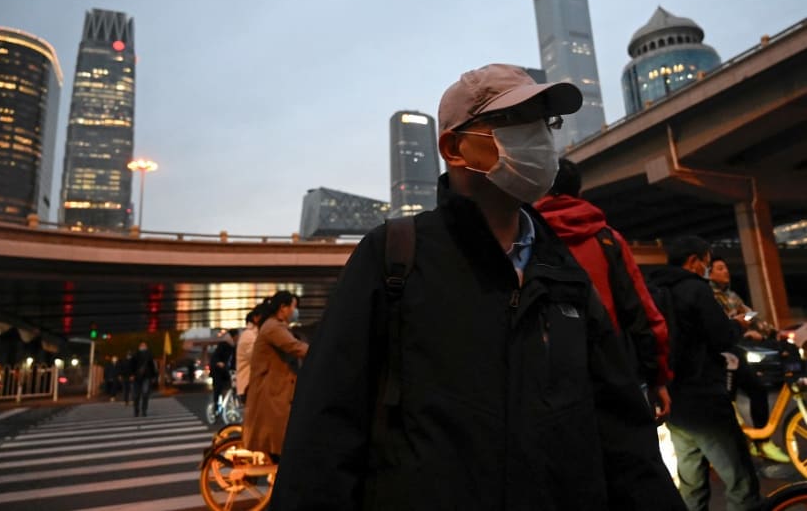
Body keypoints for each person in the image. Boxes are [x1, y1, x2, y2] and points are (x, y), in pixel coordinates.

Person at [271, 63, 683, 510]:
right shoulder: (394, 257)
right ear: (454, 147)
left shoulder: (561, 269)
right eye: (512, 122)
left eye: (544, 123)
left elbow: (622, 433)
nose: (540, 139)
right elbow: (325, 430)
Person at [535, 157, 672, 419]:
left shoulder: (523, 239)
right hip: (610, 374)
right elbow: (643, 313)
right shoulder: (607, 239)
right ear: (579, 192)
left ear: (540, 188)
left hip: (547, 381)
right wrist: (658, 377)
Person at [650, 236, 762, 510]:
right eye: (706, 264)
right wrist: (737, 325)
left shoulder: (651, 289)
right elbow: (721, 337)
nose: (707, 270)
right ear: (693, 261)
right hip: (704, 397)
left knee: (692, 485)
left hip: (672, 400)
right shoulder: (695, 289)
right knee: (741, 482)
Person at [710, 256, 788, 463]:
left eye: (725, 267)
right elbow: (723, 324)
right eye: (719, 268)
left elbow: (751, 316)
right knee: (726, 401)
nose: (725, 271)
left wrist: (775, 333)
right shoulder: (708, 294)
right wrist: (741, 327)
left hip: (735, 352)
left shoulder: (732, 296)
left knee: (757, 390)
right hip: (721, 356)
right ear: (710, 272)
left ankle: (762, 441)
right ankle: (729, 450)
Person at [241, 290, 308, 460]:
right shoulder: (273, 327)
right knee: (280, 440)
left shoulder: (276, 326)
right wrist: (321, 351)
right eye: (294, 306)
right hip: (271, 391)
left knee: (280, 439)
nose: (295, 311)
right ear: (283, 308)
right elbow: (294, 346)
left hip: (276, 388)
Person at [236, 303, 265, 405]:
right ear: (256, 318)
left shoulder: (253, 335)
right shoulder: (249, 336)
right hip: (249, 386)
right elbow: (257, 359)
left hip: (251, 386)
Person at [210, 328, 238, 411]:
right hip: (218, 371)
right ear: (233, 336)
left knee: (231, 387)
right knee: (218, 388)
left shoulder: (234, 346)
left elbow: (233, 361)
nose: (238, 338)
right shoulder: (223, 344)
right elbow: (215, 356)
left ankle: (229, 405)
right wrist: (219, 362)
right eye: (237, 336)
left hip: (227, 371)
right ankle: (215, 406)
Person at [130, 341, 157, 417]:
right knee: (136, 395)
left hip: (146, 377)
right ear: (139, 347)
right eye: (141, 345)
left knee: (145, 394)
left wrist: (153, 376)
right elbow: (131, 365)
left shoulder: (150, 355)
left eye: (144, 345)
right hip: (136, 377)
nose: (143, 347)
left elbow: (153, 367)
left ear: (146, 347)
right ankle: (136, 410)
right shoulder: (135, 355)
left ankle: (144, 410)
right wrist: (131, 375)